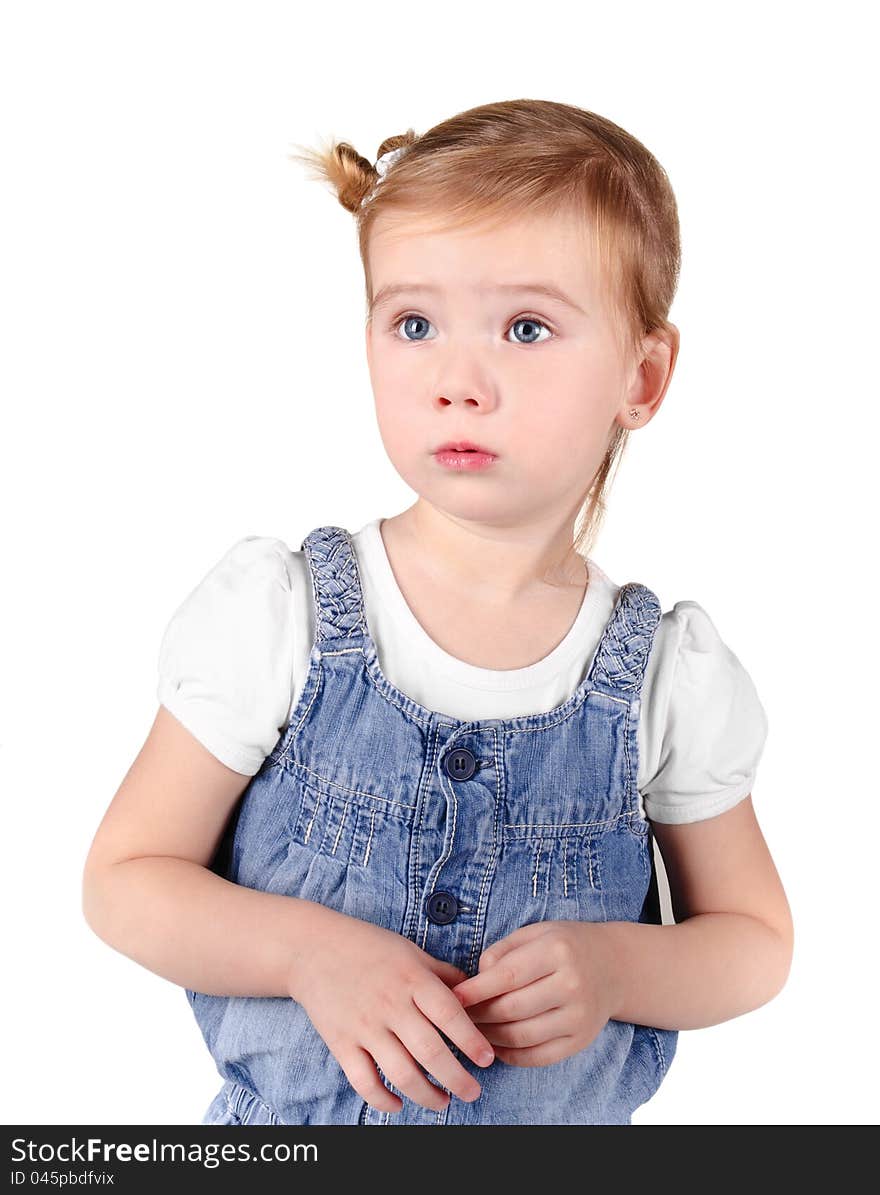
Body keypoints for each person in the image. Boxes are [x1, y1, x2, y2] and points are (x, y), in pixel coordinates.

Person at [81, 98, 793, 1126]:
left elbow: (753, 940)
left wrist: (616, 965)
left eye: (526, 327)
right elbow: (124, 877)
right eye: (414, 322)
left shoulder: (662, 675)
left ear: (641, 376)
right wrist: (307, 952)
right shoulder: (280, 617)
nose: (460, 380)